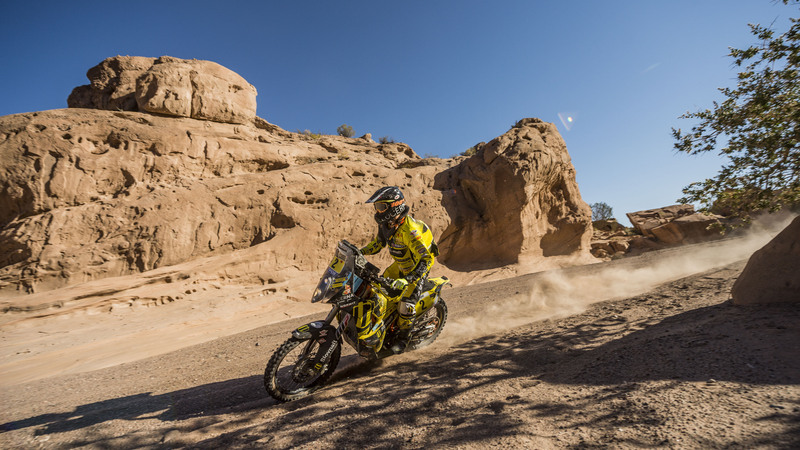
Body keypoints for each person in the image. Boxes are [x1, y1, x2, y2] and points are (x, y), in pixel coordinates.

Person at [360, 186, 438, 354]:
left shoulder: (410, 231)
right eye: (376, 207)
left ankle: (403, 339)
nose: (378, 211)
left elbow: (426, 259)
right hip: (400, 265)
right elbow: (378, 244)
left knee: (406, 305)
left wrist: (408, 279)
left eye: (381, 207)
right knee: (377, 291)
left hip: (417, 269)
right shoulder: (386, 224)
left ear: (394, 206)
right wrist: (359, 252)